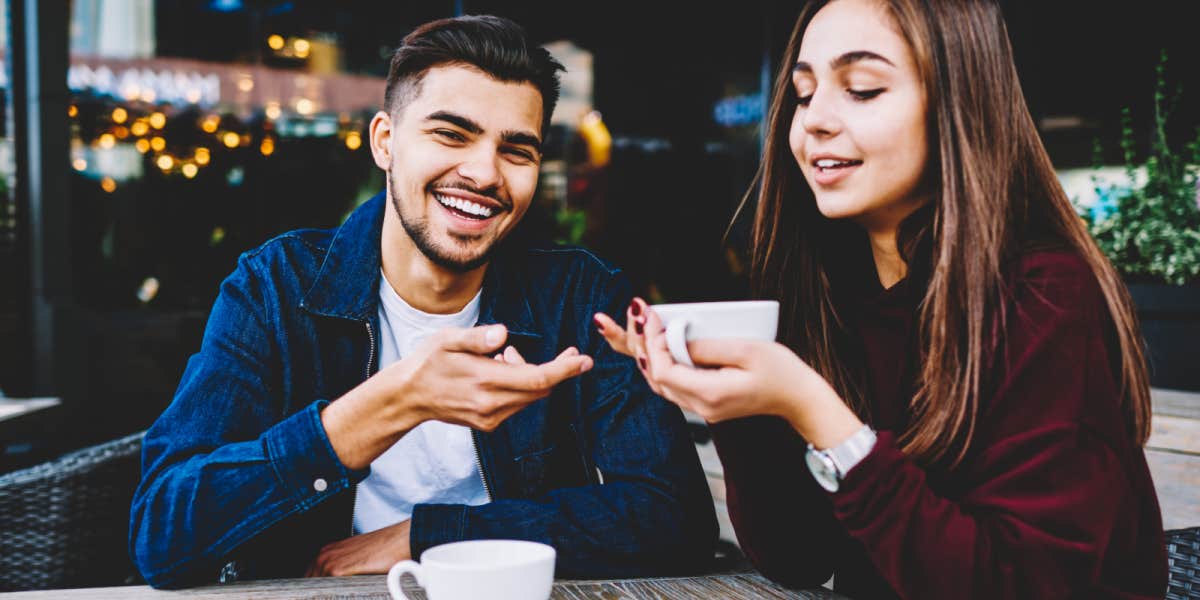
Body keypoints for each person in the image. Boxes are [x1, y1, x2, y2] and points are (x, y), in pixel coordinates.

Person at [596, 0, 1168, 597]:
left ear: (958, 105)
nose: (814, 119)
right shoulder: (831, 292)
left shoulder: (1043, 294)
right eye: (803, 92)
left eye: (863, 88)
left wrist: (819, 414)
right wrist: (742, 408)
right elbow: (799, 556)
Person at [130, 15, 715, 589]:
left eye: (517, 150)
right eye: (451, 134)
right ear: (385, 142)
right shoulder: (276, 288)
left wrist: (425, 536)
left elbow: (675, 517)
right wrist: (398, 401)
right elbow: (162, 535)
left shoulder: (578, 296)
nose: (485, 173)